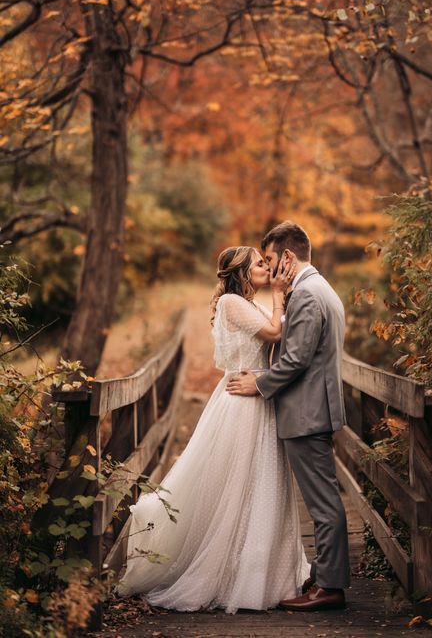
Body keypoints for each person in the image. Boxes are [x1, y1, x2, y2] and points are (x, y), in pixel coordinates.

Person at [117, 245, 310, 613]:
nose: (265, 267)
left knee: (262, 481)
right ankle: (229, 570)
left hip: (257, 393)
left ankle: (260, 570)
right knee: (238, 481)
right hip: (242, 400)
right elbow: (273, 332)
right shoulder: (231, 303)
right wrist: (281, 294)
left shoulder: (247, 304)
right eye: (258, 263)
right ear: (239, 271)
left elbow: (278, 336)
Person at [226, 221, 350, 611]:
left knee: (323, 503)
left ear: (288, 257)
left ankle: (329, 588)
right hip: (311, 408)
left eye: (271, 259)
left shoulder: (309, 295)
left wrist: (258, 383)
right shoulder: (318, 288)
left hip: (307, 411)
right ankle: (325, 575)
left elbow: (296, 358)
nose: (269, 266)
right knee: (323, 499)